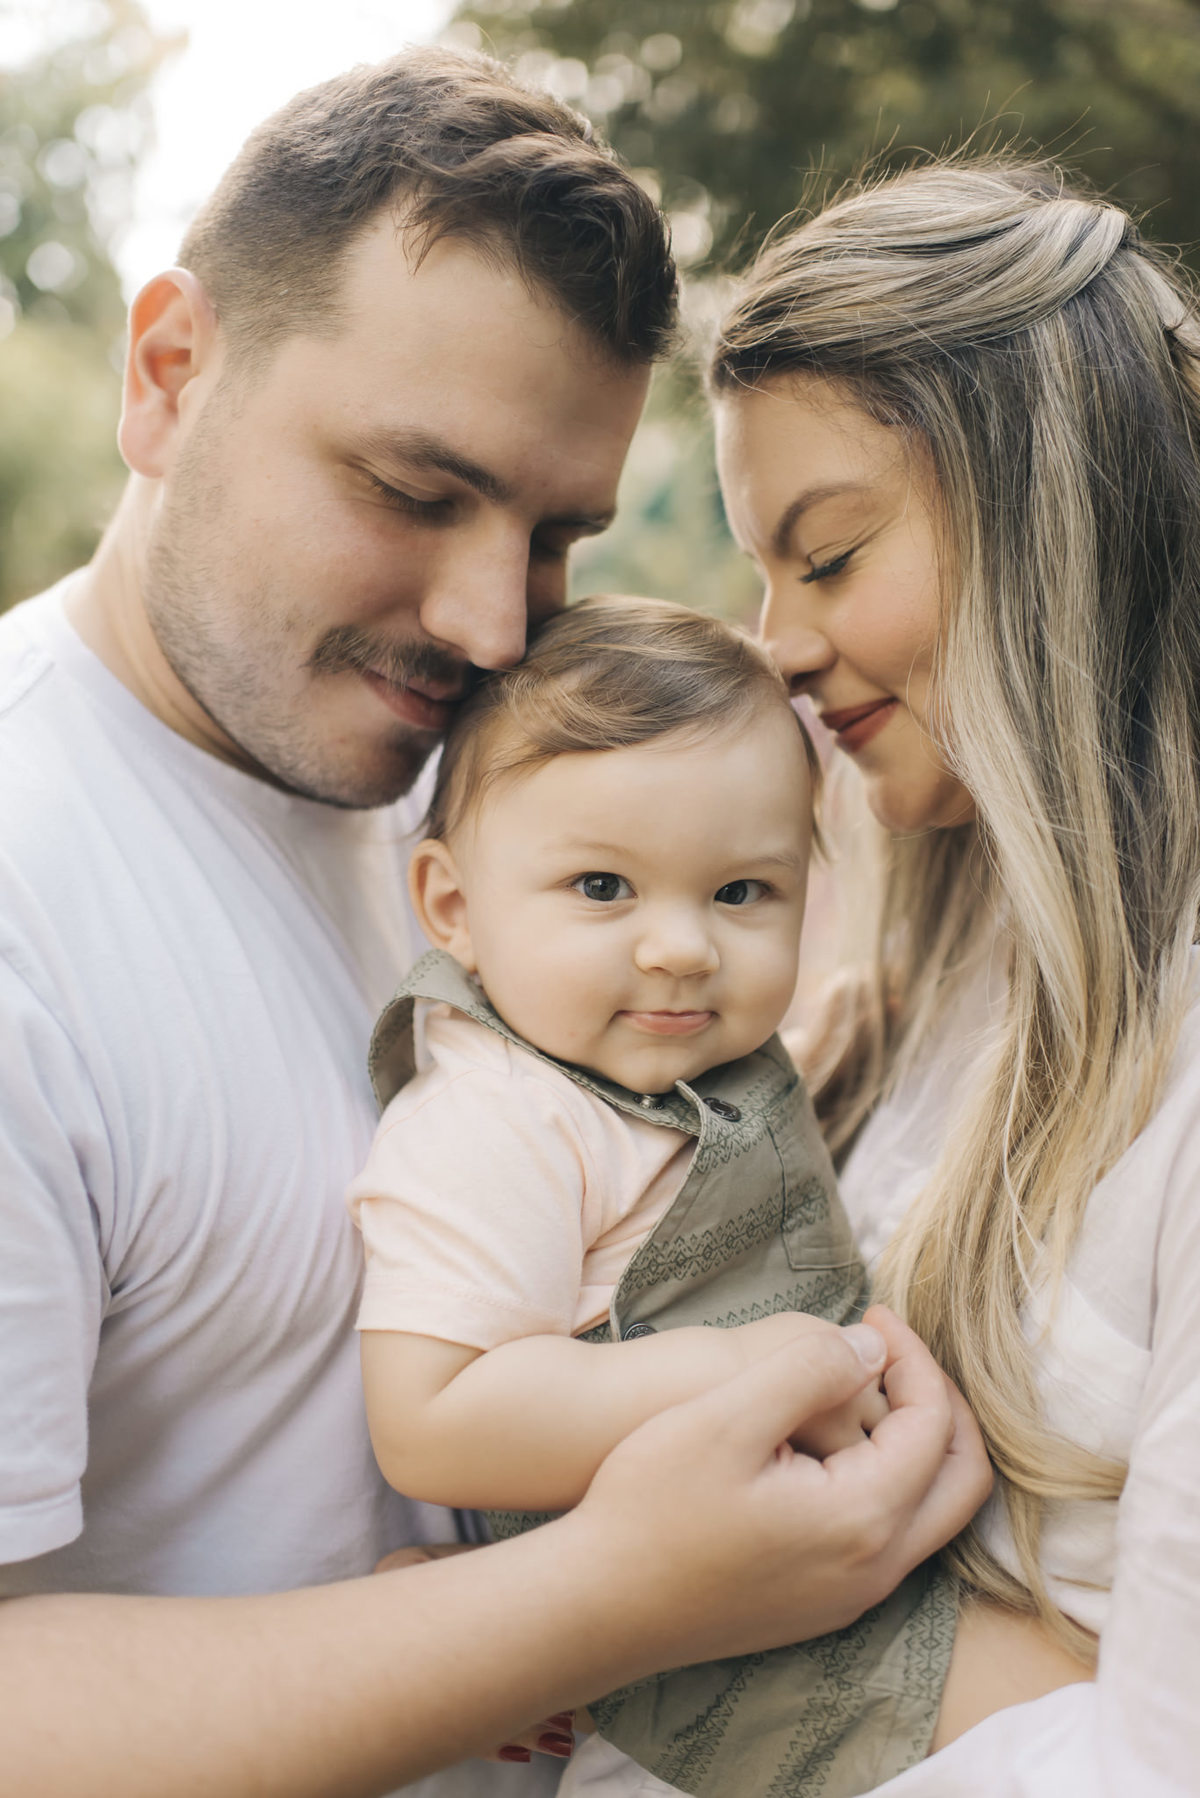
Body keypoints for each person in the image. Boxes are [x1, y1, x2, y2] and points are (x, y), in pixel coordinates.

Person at [0, 47, 991, 1798]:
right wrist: (596, 1600)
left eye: (555, 535)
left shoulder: (486, 778)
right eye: (411, 488)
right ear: (169, 376)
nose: (486, 618)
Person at [707, 156, 1200, 1795]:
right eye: (764, 572)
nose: (772, 637)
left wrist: (676, 1641)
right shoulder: (897, 998)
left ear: (1048, 521)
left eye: (830, 555)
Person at [347, 592, 960, 1798]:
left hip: (827, 1603)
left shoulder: (694, 1061)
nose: (683, 945)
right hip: (683, 1710)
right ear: (454, 907)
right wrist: (749, 1366)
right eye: (601, 887)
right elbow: (433, 1416)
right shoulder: (502, 1118)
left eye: (742, 893)